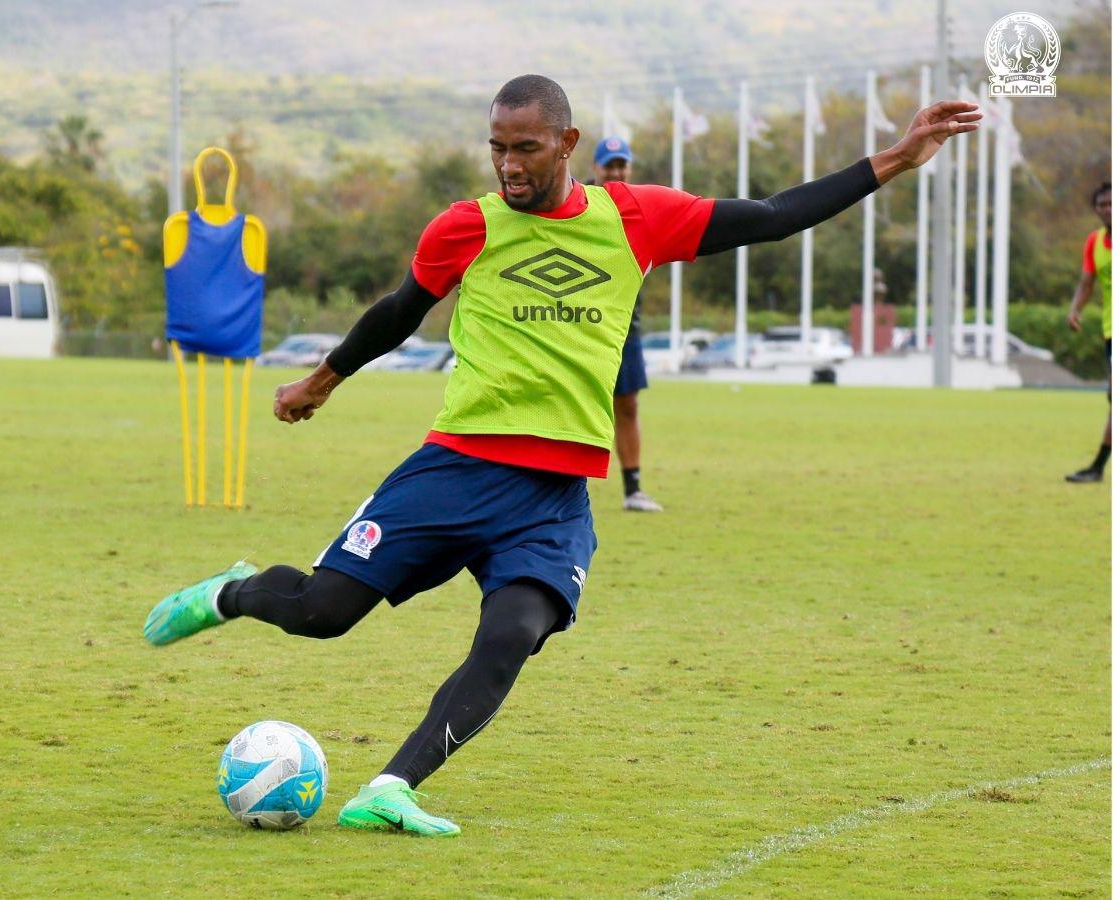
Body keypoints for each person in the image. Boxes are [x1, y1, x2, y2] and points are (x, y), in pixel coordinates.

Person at [144, 74, 980, 836]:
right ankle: (231, 593)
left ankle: (391, 787)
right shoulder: (467, 226)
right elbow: (399, 311)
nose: (509, 165)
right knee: (323, 613)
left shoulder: (635, 219)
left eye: (527, 147)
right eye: (498, 148)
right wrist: (323, 379)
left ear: (567, 143)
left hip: (552, 497)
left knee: (513, 632)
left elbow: (771, 215)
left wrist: (897, 158)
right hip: (456, 470)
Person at [590, 136, 663, 512]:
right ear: (595, 168)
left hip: (624, 326)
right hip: (577, 323)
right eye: (609, 165)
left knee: (628, 405)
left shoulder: (638, 207)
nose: (616, 172)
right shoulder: (576, 202)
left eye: (622, 165)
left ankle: (633, 489)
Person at [1064, 181, 1111, 483]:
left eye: (1111, 203)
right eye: (1102, 204)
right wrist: (1075, 310)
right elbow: (1086, 282)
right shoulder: (1095, 242)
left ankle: (1097, 468)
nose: (1107, 209)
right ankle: (1097, 468)